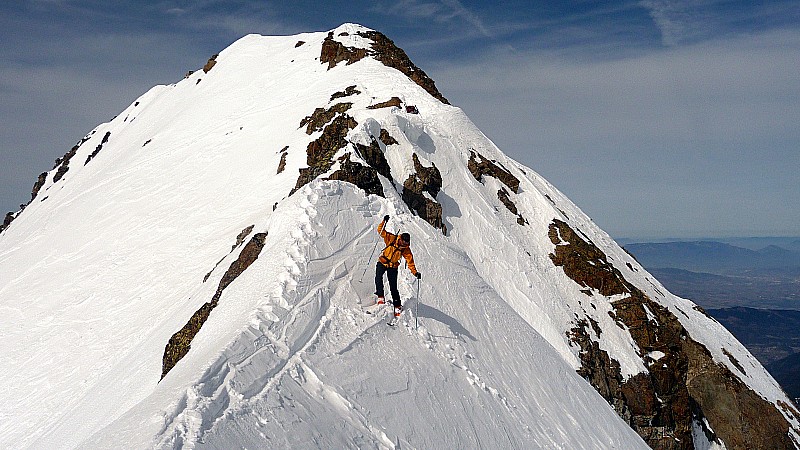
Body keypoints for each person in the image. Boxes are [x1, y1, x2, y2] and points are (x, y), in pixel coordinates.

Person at [375, 215, 421, 319]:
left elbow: (410, 261)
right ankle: (380, 296)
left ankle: (397, 306)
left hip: (393, 266)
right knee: (378, 278)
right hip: (383, 261)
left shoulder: (406, 249)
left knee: (393, 287)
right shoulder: (392, 238)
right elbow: (380, 231)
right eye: (403, 242)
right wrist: (384, 221)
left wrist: (415, 272)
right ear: (401, 239)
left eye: (406, 243)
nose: (404, 245)